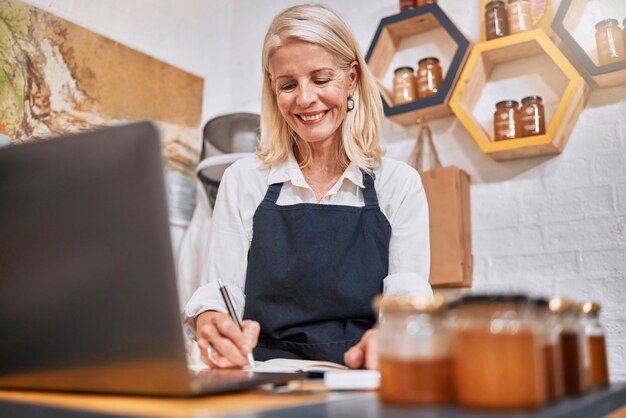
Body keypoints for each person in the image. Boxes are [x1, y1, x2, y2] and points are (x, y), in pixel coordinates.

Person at [183, 4, 432, 370]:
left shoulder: (399, 184)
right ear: (273, 89)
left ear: (351, 79)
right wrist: (211, 320)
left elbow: (407, 300)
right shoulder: (243, 180)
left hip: (358, 374)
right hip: (263, 374)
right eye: (288, 84)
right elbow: (222, 291)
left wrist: (397, 335)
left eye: (320, 79)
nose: (304, 99)